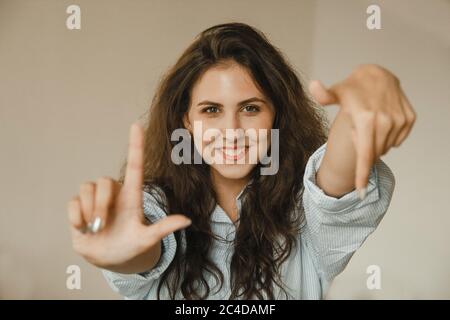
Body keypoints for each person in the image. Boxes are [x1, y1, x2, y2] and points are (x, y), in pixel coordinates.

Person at [67, 22, 416, 299]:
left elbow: (336, 181)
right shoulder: (155, 207)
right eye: (211, 110)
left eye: (250, 108)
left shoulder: (304, 213)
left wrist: (362, 102)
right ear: (186, 121)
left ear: (276, 115)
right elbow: (145, 250)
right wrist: (123, 255)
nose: (232, 130)